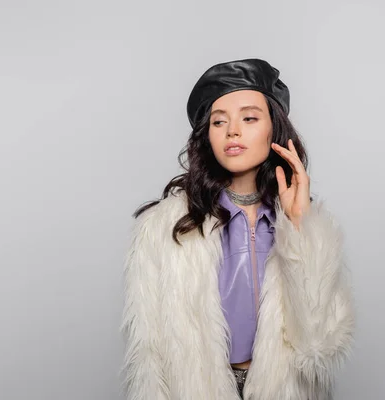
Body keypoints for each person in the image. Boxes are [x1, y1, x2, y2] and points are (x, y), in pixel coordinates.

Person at [120, 58, 355, 400]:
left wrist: (301, 229)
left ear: (274, 128)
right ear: (207, 135)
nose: (232, 130)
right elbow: (150, 362)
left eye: (249, 118)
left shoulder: (303, 224)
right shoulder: (163, 229)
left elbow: (319, 348)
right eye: (219, 121)